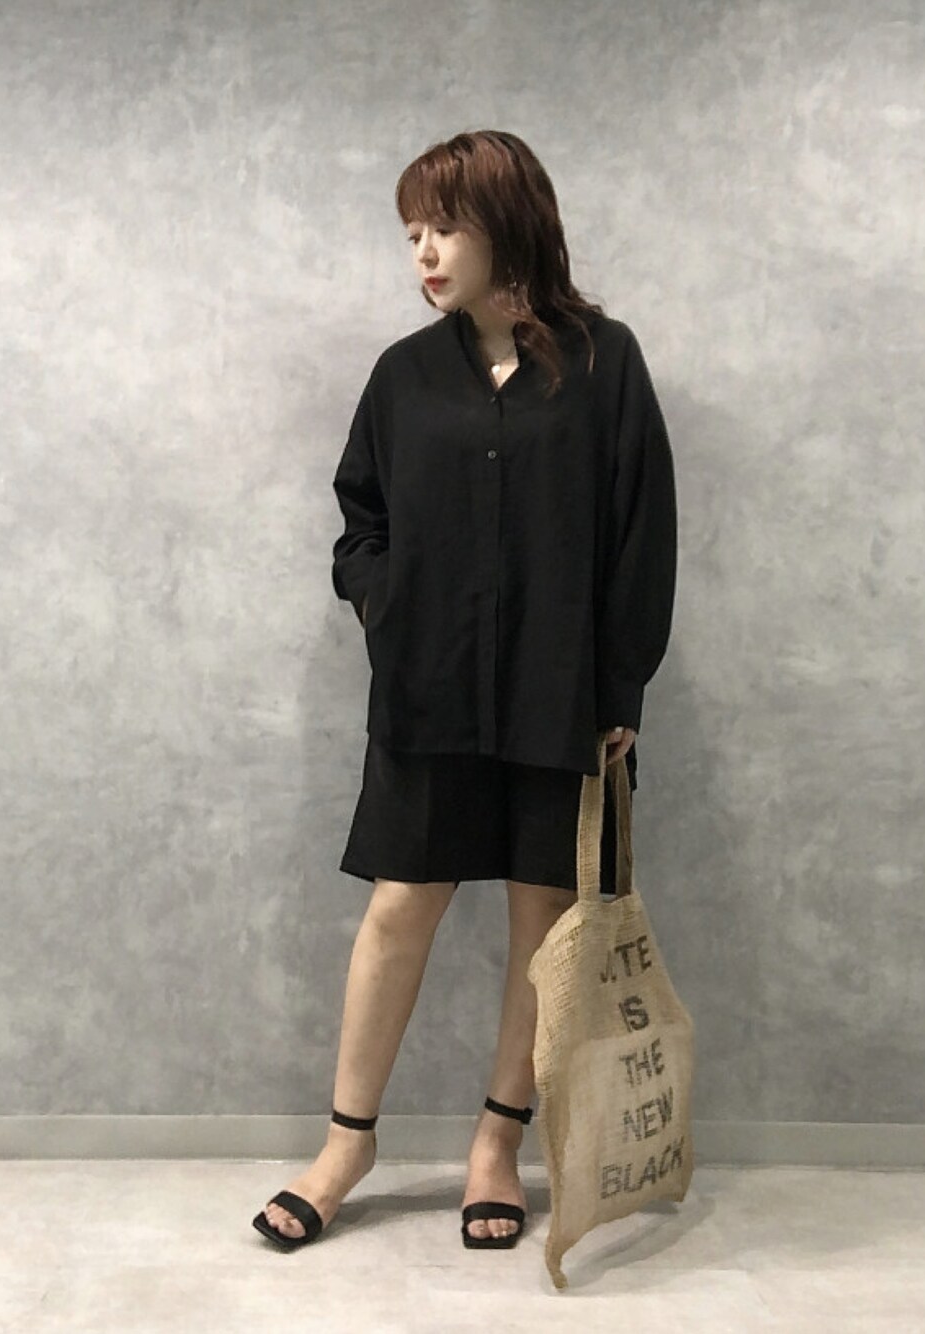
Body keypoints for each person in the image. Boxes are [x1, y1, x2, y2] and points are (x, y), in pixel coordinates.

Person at [252, 129, 677, 1252]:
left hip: (558, 687)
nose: (424, 254)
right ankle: (347, 1144)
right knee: (402, 902)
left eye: (443, 228)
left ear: (507, 223)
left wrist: (620, 683)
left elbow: (641, 531)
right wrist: (385, 604)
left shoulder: (604, 363)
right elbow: (361, 518)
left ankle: (497, 1144)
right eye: (411, 235)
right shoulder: (403, 375)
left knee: (543, 915)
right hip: (429, 685)